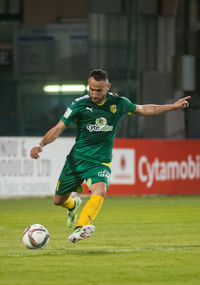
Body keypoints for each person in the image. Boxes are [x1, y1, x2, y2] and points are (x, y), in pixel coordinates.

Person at [30, 69, 190, 243]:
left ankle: (80, 228)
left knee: (100, 189)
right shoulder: (79, 104)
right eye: (91, 89)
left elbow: (145, 109)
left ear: (107, 87)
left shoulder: (119, 103)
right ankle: (73, 204)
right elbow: (58, 128)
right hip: (76, 161)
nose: (94, 93)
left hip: (100, 162)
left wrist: (173, 107)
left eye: (98, 90)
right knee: (58, 200)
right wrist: (41, 144)